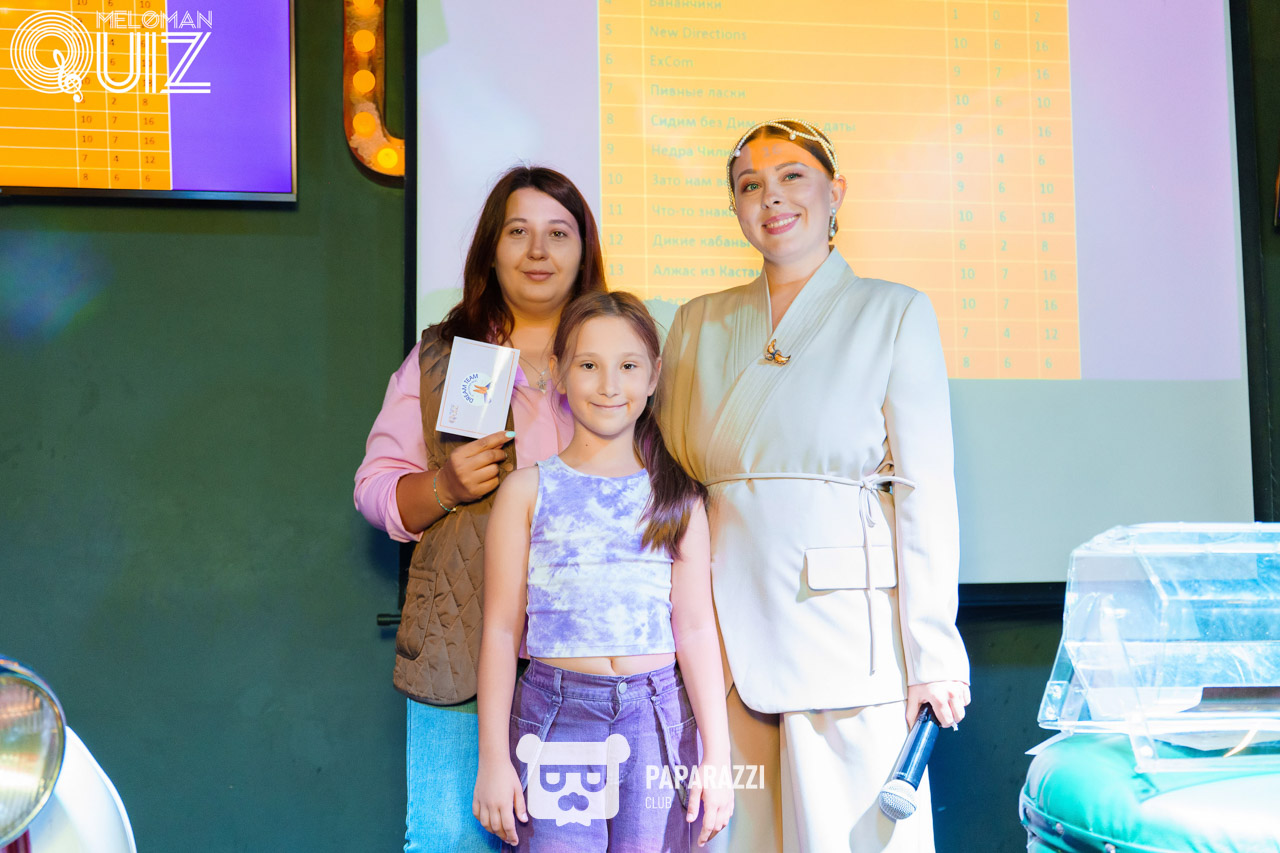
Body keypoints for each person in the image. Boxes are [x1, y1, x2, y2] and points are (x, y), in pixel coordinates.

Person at [657, 118, 972, 852]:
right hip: (719, 636)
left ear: (836, 192)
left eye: (792, 176)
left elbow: (926, 492)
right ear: (736, 209)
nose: (771, 196)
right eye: (749, 185)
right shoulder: (697, 322)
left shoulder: (894, 311)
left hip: (844, 637)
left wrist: (932, 654)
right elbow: (667, 482)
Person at [353, 165, 608, 852]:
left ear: (583, 250)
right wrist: (445, 485)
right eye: (517, 231)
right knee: (449, 839)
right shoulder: (447, 358)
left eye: (558, 233)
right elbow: (375, 486)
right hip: (458, 653)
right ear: (491, 249)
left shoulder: (618, 358)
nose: (537, 250)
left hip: (589, 656)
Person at [472, 291, 734, 851]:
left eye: (628, 366)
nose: (610, 385)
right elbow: (500, 630)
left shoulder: (678, 499)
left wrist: (718, 756)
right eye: (589, 365)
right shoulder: (526, 490)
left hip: (657, 720)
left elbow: (694, 629)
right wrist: (492, 759)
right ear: (559, 373)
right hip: (555, 717)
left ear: (654, 375)